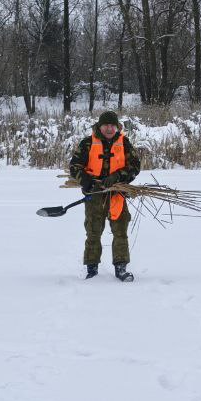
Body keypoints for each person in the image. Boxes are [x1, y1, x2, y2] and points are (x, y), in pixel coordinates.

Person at [68, 110, 141, 281]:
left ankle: (121, 268)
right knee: (93, 231)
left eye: (112, 125)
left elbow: (135, 166)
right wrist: (87, 181)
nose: (109, 129)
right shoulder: (87, 143)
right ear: (99, 126)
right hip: (94, 194)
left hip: (117, 193)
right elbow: (75, 166)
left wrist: (118, 177)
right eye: (106, 125)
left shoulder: (124, 143)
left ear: (117, 127)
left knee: (120, 230)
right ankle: (92, 269)